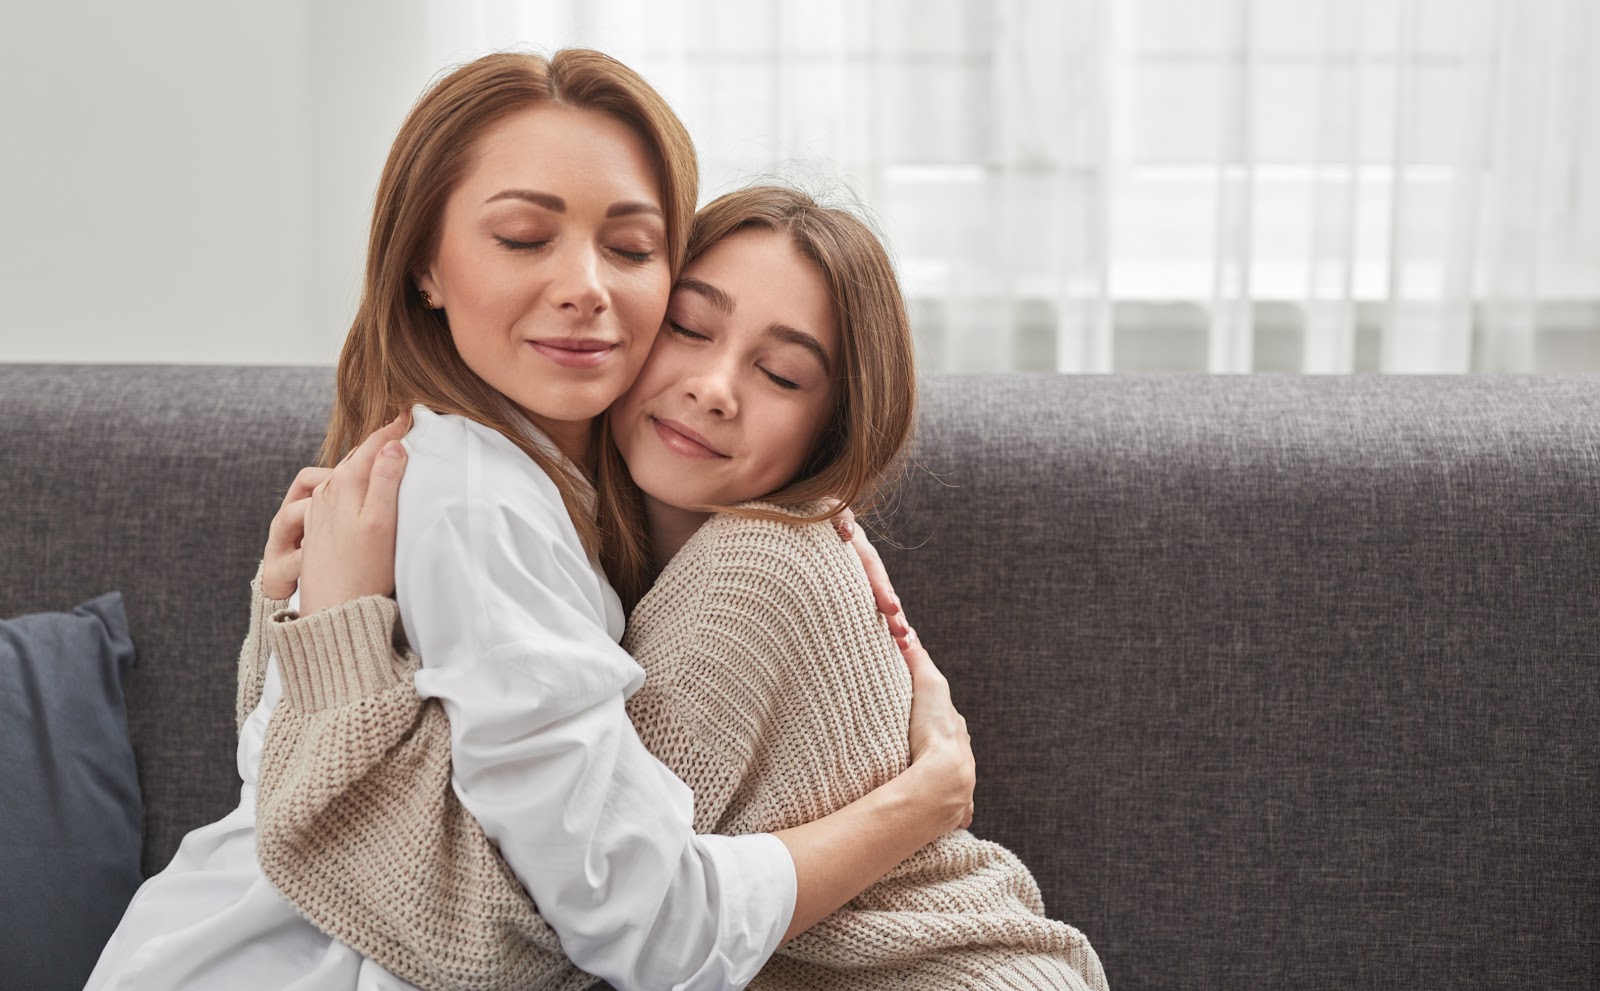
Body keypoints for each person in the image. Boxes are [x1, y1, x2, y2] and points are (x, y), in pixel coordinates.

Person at [86, 51, 975, 991]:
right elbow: (642, 925)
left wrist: (302, 630)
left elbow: (302, 773)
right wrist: (919, 805)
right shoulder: (474, 495)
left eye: (631, 250)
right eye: (522, 236)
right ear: (423, 261)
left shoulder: (559, 489)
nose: (586, 285)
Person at [253, 186, 1110, 989]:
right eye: (691, 328)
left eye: (780, 375)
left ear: (831, 428)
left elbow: (515, 928)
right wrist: (283, 603)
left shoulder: (756, 568)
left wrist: (335, 629)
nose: (713, 387)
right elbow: (281, 791)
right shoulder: (576, 540)